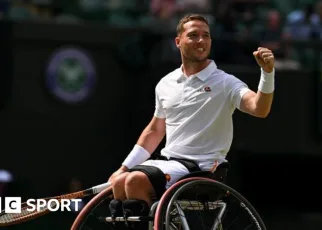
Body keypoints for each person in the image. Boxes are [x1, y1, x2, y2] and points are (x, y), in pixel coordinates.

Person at [107, 14, 275, 221]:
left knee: (135, 181)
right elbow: (154, 131)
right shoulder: (166, 83)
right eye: (193, 35)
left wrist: (267, 74)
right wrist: (123, 168)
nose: (201, 41)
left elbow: (260, 108)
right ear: (178, 42)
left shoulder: (225, 82)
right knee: (119, 182)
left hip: (204, 170)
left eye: (206, 35)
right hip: (169, 164)